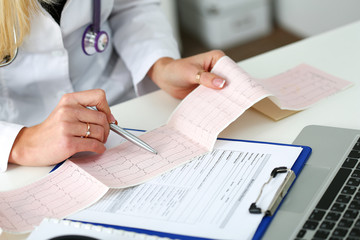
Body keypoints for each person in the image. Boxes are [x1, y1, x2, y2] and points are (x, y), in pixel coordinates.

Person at [0, 0, 226, 172]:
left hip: (120, 111)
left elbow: (130, 6)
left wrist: (159, 64)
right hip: (22, 146)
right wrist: (20, 143)